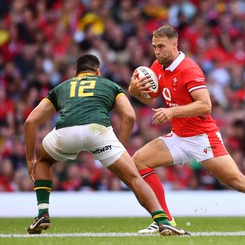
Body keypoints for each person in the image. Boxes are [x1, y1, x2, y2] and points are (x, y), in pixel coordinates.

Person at [128, 26, 245, 234]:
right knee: (139, 161)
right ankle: (165, 219)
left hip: (203, 138)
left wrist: (171, 113)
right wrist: (134, 91)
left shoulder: (189, 69)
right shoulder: (157, 67)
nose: (157, 51)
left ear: (175, 44)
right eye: (154, 47)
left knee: (239, 182)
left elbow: (205, 105)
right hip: (179, 136)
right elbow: (151, 97)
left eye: (161, 46)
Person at [24, 53, 189, 236]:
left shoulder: (61, 87)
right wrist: (120, 147)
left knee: (43, 162)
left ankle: (42, 213)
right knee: (134, 178)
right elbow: (129, 116)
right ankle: (163, 222)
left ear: (76, 72)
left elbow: (30, 122)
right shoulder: (110, 85)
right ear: (98, 71)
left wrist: (30, 159)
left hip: (66, 132)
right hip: (99, 131)